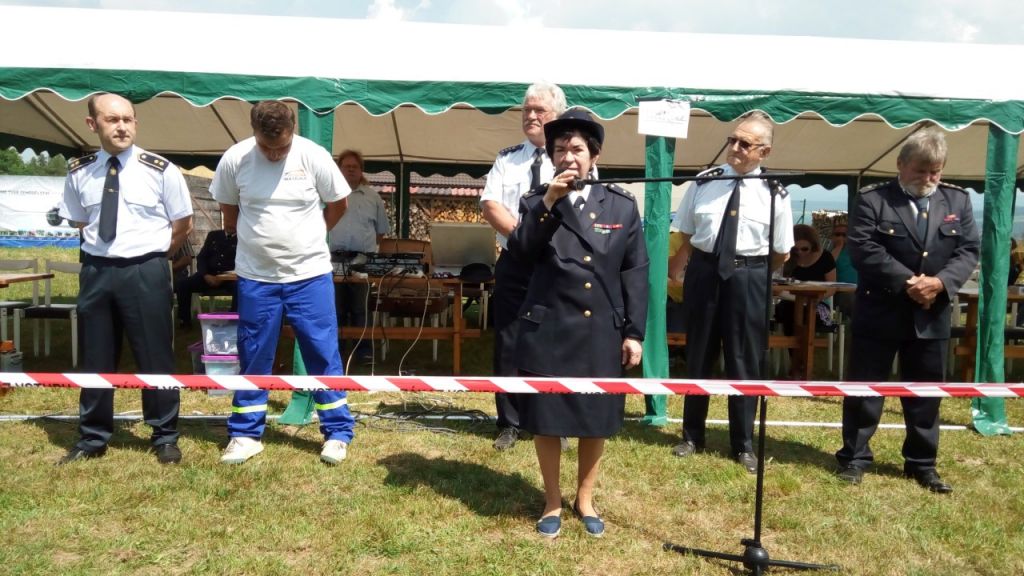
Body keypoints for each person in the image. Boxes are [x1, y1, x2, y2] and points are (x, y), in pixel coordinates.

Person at [507, 109, 649, 538]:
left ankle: (584, 498)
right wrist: (549, 203)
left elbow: (635, 272)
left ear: (594, 156)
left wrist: (634, 332)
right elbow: (521, 253)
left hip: (599, 328)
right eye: (559, 150)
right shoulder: (536, 202)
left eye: (577, 149)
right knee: (546, 418)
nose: (568, 157)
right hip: (549, 326)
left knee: (595, 417)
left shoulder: (621, 204)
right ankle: (552, 499)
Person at [211, 100, 356, 465]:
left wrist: (315, 234)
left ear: (293, 131)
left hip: (310, 276)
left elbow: (339, 203)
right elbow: (229, 209)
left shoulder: (314, 155)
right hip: (256, 277)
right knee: (254, 353)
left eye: (282, 146)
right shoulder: (235, 158)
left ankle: (337, 433)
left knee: (322, 352)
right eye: (267, 147)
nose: (275, 154)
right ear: (254, 133)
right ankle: (245, 434)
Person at [835, 130, 979, 493]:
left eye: (935, 171)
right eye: (920, 170)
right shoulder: (873, 199)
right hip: (880, 310)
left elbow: (968, 251)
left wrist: (941, 283)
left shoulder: (957, 200)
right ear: (900, 165)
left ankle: (922, 464)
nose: (928, 178)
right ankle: (854, 457)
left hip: (932, 313)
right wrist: (910, 282)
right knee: (865, 390)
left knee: (925, 393)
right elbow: (863, 248)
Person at [57, 92, 193, 465]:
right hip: (97, 270)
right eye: (112, 120)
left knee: (155, 354)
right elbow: (81, 222)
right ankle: (92, 437)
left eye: (128, 119)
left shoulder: (160, 169)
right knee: (95, 355)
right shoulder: (79, 170)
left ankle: (164, 435)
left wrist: (155, 255)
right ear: (92, 124)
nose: (121, 127)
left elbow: (183, 224)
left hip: (145, 270)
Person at [667, 111, 794, 474]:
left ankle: (743, 443)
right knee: (699, 353)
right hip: (705, 272)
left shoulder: (775, 192)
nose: (735, 147)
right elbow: (687, 231)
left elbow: (781, 251)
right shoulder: (705, 182)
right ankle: (692, 435)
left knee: (744, 359)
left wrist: (747, 270)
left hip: (749, 275)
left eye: (745, 143)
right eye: (732, 140)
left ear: (764, 152)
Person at [480, 82, 566, 451]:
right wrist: (524, 238)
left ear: (556, 115)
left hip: (557, 262)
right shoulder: (508, 159)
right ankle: (509, 422)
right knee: (509, 341)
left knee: (557, 339)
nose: (531, 116)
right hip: (515, 260)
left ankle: (553, 420)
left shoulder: (571, 157)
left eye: (539, 110)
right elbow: (491, 206)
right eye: (527, 110)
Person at [328, 149, 389, 364]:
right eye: (347, 166)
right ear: (339, 169)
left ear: (361, 170)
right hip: (334, 260)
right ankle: (335, 351)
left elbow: (381, 231)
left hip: (363, 260)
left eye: (355, 167)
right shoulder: (328, 194)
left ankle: (363, 352)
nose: (351, 170)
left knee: (360, 308)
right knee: (335, 308)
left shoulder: (373, 197)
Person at [776, 224, 836, 378]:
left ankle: (799, 364)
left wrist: (816, 297)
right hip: (789, 302)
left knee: (806, 315)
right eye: (796, 250)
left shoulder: (825, 258)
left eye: (804, 249)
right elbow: (776, 285)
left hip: (816, 303)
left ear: (813, 245)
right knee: (790, 313)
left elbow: (832, 287)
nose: (800, 253)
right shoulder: (786, 259)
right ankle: (799, 363)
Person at [173, 228, 238, 327]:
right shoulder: (213, 235)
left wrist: (222, 277)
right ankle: (184, 320)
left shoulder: (242, 238)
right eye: (226, 220)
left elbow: (242, 263)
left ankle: (233, 320)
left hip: (229, 279)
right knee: (183, 284)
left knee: (241, 287)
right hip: (208, 276)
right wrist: (205, 275)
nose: (228, 223)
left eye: (231, 220)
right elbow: (201, 257)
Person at [829, 220, 857, 317]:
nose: (841, 237)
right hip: (838, 291)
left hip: (856, 289)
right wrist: (839, 247)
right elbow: (829, 265)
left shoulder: (856, 250)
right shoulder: (829, 251)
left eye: (844, 235)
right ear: (832, 237)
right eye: (837, 234)